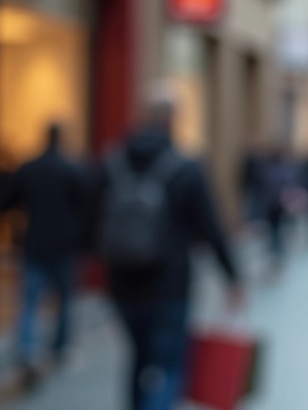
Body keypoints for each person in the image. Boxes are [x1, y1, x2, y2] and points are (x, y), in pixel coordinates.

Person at [95, 83, 243, 410]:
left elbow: (92, 222)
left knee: (138, 358)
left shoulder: (111, 163)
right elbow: (211, 228)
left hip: (122, 283)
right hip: (170, 285)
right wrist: (232, 277)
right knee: (169, 366)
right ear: (174, 119)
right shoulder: (186, 168)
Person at [0, 124, 86, 390]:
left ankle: (28, 353)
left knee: (29, 302)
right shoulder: (72, 169)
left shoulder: (29, 168)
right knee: (64, 300)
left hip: (34, 242)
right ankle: (58, 349)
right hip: (64, 245)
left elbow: (5, 202)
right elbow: (85, 208)